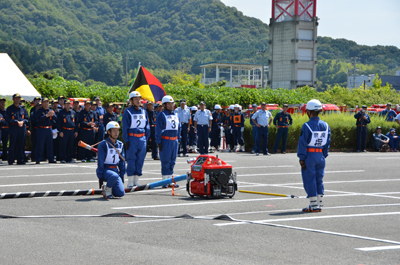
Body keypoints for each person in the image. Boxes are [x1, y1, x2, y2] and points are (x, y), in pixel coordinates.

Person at [297, 99, 331, 213]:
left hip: (310, 155)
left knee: (309, 179)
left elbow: (302, 142)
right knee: (319, 179)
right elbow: (327, 142)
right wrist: (323, 154)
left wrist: (302, 158)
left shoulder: (306, 126)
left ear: (309, 112)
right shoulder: (326, 125)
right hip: (320, 155)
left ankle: (313, 205)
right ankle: (319, 203)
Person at [122, 91, 150, 188]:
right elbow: (125, 127)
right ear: (131, 101)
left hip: (142, 138)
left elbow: (147, 126)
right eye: (136, 99)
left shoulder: (144, 111)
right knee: (131, 159)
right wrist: (126, 140)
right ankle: (130, 180)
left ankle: (136, 179)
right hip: (132, 138)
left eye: (139, 99)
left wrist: (146, 138)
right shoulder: (128, 112)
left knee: (140, 159)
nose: (138, 101)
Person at [155, 95, 181, 188]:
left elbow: (179, 127)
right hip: (165, 140)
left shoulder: (176, 115)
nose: (171, 105)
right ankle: (164, 180)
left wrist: (179, 139)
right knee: (165, 161)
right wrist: (159, 141)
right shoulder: (161, 115)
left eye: (172, 103)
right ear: (164, 105)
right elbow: (158, 129)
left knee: (172, 161)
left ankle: (170, 180)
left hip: (174, 141)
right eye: (169, 104)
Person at [97, 121, 126, 199]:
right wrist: (100, 176)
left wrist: (122, 174)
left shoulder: (120, 144)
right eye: (113, 130)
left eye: (117, 130)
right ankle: (107, 190)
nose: (116, 133)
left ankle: (109, 187)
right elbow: (100, 161)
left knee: (121, 193)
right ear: (108, 132)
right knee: (114, 176)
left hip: (115, 171)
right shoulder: (103, 145)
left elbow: (122, 161)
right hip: (105, 171)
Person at [6, 93, 29, 165]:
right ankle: (11, 160)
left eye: (18, 98)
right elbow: (7, 119)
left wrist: (23, 121)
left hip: (21, 129)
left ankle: (20, 159)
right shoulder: (9, 109)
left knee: (21, 144)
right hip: (13, 128)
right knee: (12, 144)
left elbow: (27, 119)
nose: (17, 99)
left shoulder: (23, 109)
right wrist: (16, 122)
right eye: (16, 98)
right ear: (13, 99)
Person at [35, 98, 57, 164]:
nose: (46, 103)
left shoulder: (50, 110)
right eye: (44, 102)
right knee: (40, 144)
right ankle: (38, 158)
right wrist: (46, 115)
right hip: (41, 129)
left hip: (49, 128)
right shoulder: (39, 111)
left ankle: (50, 158)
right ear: (42, 103)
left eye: (47, 102)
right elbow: (38, 120)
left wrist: (53, 115)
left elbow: (56, 119)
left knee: (50, 144)